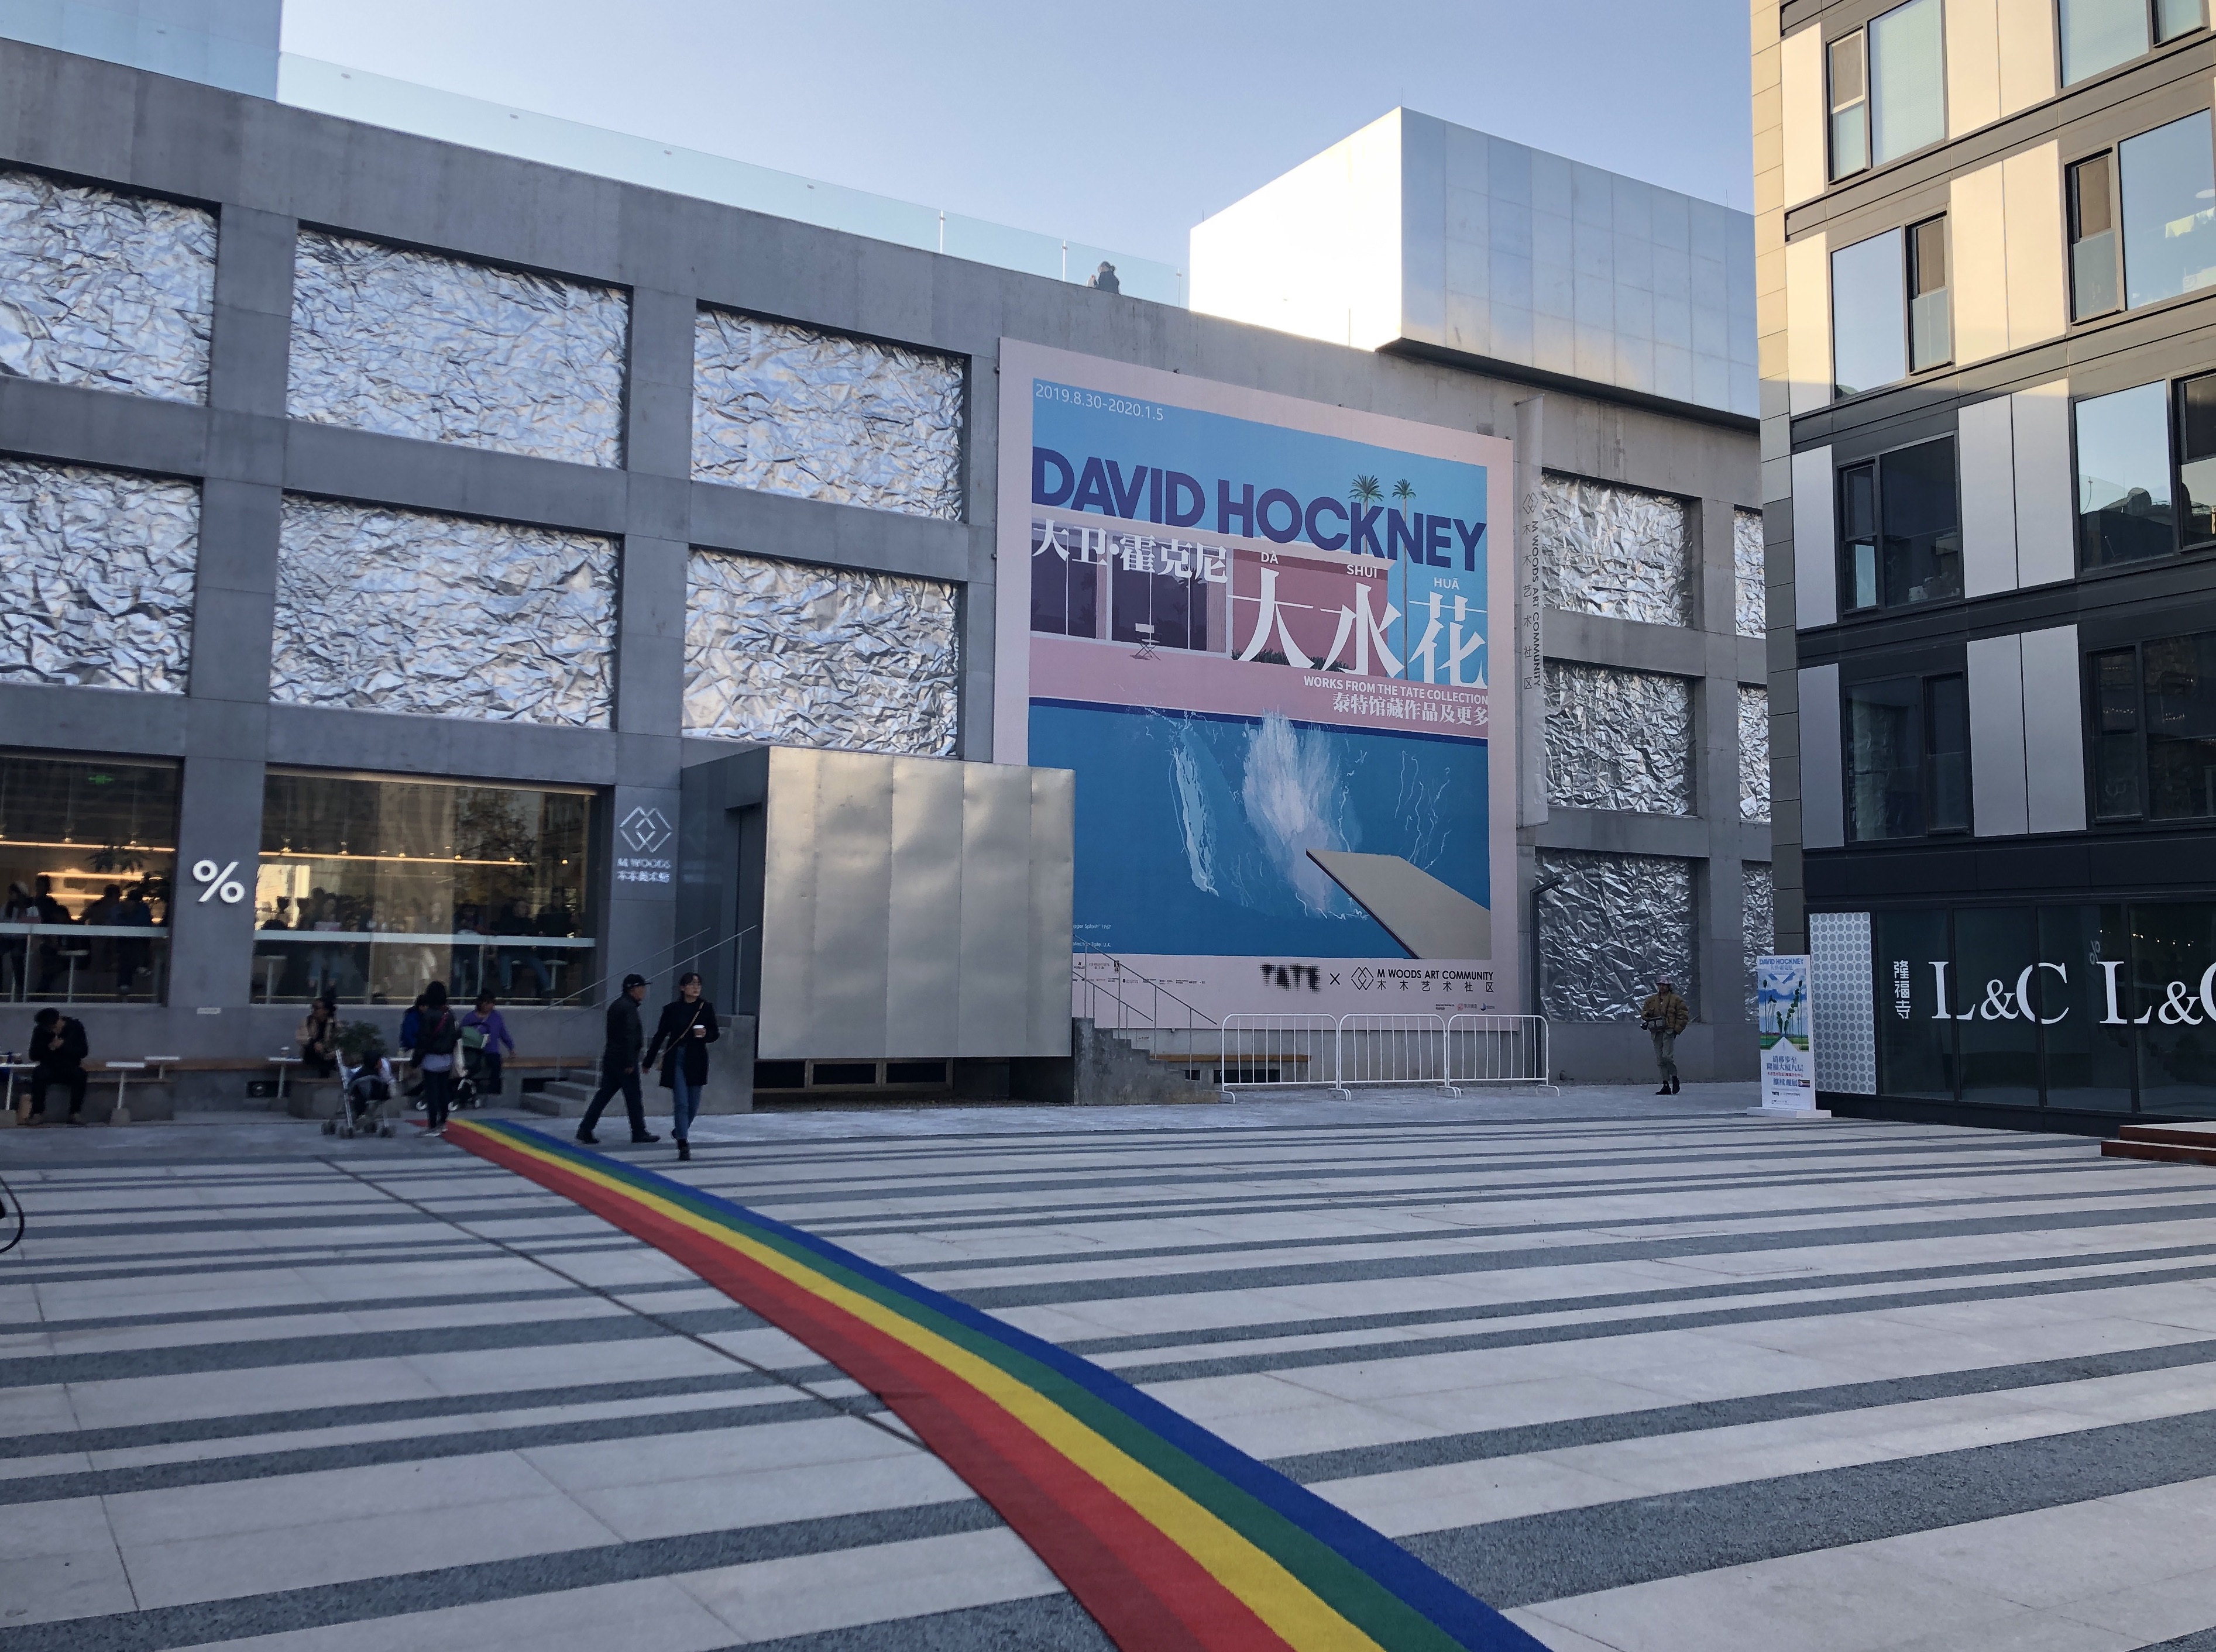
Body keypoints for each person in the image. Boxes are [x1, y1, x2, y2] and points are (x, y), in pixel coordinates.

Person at [644, 972, 719, 1163]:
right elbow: (660, 1036)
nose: (696, 987)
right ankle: (683, 1144)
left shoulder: (706, 1008)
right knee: (682, 1103)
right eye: (692, 984)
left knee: (693, 1105)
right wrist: (648, 1060)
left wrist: (706, 1034)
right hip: (676, 1057)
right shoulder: (672, 1010)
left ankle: (679, 1130)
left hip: (697, 1058)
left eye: (698, 984)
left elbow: (715, 1033)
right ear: (682, 988)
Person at [576, 973, 657, 1146]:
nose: (644, 991)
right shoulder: (628, 1008)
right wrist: (629, 1062)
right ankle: (639, 1132)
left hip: (612, 1057)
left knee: (604, 1094)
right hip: (623, 1060)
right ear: (632, 989)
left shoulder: (619, 1005)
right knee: (633, 1097)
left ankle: (585, 1128)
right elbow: (628, 1036)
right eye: (641, 987)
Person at [408, 980, 461, 1136]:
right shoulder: (450, 1014)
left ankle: (432, 1125)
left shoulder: (428, 1015)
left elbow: (423, 1040)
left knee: (432, 1093)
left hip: (431, 1058)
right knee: (443, 1090)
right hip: (447, 1058)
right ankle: (443, 1122)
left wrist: (415, 1061)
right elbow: (456, 1035)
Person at [23, 1006, 88, 1126]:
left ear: (59, 1021)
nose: (52, 1031)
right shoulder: (40, 1031)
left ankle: (75, 1113)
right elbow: (34, 1055)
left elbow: (83, 1052)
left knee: (80, 1075)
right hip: (49, 1066)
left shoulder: (75, 1027)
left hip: (70, 1065)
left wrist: (64, 1046)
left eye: (53, 1028)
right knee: (38, 1074)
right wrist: (49, 1049)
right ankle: (38, 1113)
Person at [1639, 978, 1692, 1095]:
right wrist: (1647, 1015)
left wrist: (1676, 1030)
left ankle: (1674, 1077)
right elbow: (1644, 1012)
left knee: (1667, 1056)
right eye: (1660, 985)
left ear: (1669, 986)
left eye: (1664, 985)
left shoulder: (1676, 1000)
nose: (1662, 987)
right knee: (1660, 1060)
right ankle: (1666, 1084)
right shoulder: (1652, 1000)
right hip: (1656, 1032)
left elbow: (1683, 1016)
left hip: (1668, 1031)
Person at [461, 993, 514, 1097]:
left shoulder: (496, 1017)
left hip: (491, 1051)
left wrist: (511, 1048)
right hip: (473, 1050)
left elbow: (503, 1033)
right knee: (471, 1067)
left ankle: (492, 1091)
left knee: (496, 1063)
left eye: (491, 1003)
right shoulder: (469, 1018)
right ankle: (465, 1090)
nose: (490, 1006)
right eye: (487, 1003)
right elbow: (462, 1033)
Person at [296, 993, 341, 1078]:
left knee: (328, 1062)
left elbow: (339, 1041)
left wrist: (332, 1051)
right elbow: (301, 1037)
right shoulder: (307, 1021)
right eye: (313, 1008)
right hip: (311, 1053)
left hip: (328, 1055)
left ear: (326, 1011)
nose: (314, 1010)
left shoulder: (334, 1023)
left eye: (317, 1008)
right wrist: (313, 1043)